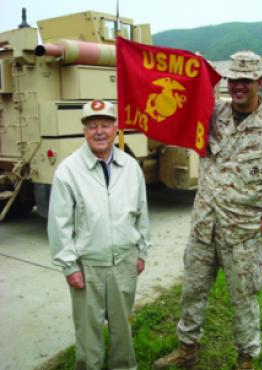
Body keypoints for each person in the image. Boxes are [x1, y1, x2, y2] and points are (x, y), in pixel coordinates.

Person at [152, 50, 262, 370]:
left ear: (260, 81)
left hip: (242, 235)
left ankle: (245, 359)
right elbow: (176, 106)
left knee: (244, 301)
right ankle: (187, 349)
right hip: (204, 227)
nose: (238, 86)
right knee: (192, 292)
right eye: (233, 79)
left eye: (246, 80)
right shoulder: (213, 115)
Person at [48, 99, 151, 370]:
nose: (99, 131)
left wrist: (142, 250)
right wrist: (69, 265)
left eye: (105, 125)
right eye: (92, 126)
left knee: (123, 326)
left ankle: (123, 366)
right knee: (88, 329)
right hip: (87, 265)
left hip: (125, 261)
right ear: (84, 130)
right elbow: (59, 225)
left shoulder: (130, 166)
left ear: (116, 128)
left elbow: (141, 212)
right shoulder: (68, 171)